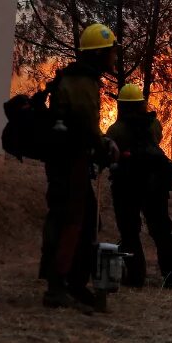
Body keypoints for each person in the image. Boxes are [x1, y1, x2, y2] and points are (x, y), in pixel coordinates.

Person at [40, 23, 119, 312]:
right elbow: (85, 126)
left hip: (67, 160)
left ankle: (73, 283)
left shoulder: (76, 79)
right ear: (98, 54)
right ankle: (57, 286)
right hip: (70, 162)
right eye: (111, 52)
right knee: (72, 221)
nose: (114, 57)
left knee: (85, 222)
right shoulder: (83, 84)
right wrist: (104, 148)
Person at [106, 83, 172, 289]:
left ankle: (135, 277)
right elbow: (158, 140)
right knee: (161, 230)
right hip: (155, 184)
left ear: (121, 106)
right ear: (142, 104)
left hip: (126, 186)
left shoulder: (115, 130)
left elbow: (110, 153)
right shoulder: (153, 124)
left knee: (130, 232)